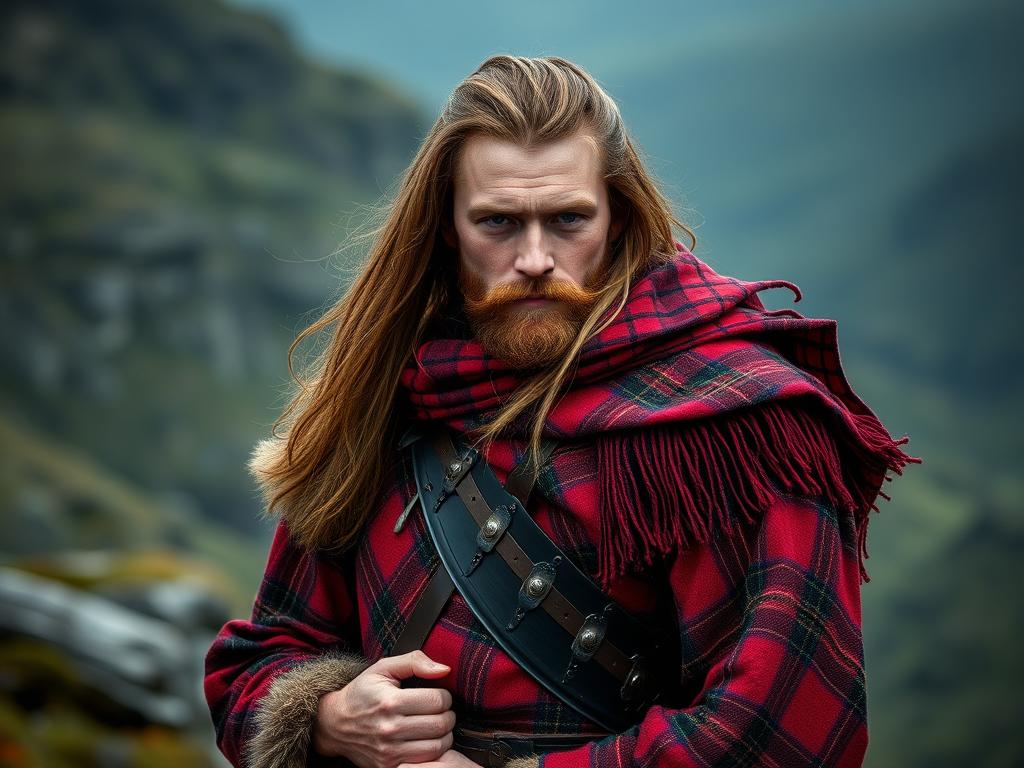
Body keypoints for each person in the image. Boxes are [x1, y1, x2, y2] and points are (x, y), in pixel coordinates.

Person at [203, 55, 919, 768]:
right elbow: (256, 661)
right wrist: (329, 718)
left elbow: (784, 732)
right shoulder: (390, 397)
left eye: (569, 219)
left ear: (618, 216)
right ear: (447, 227)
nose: (536, 257)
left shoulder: (736, 426)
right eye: (499, 222)